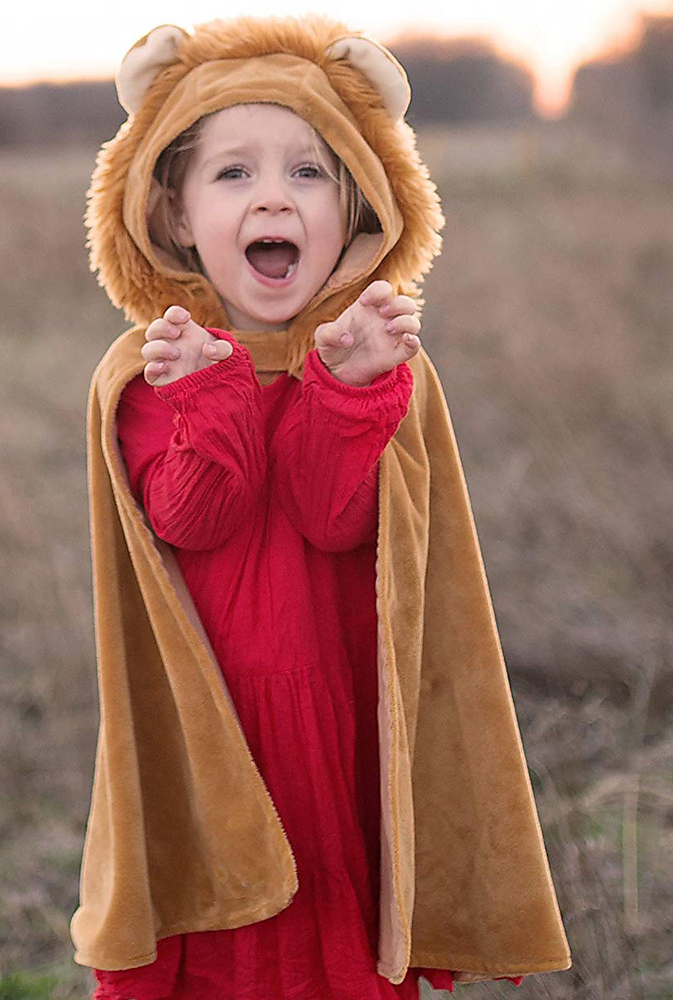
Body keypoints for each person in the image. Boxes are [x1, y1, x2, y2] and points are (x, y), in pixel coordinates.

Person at [71, 16, 571, 1000]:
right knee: (221, 951)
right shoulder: (149, 368)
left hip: (339, 727)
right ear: (169, 213)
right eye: (232, 174)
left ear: (358, 209)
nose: (273, 194)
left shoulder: (378, 362)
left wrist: (343, 391)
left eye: (309, 173)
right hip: (211, 727)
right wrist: (209, 399)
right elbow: (189, 515)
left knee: (331, 951)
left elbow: (332, 515)